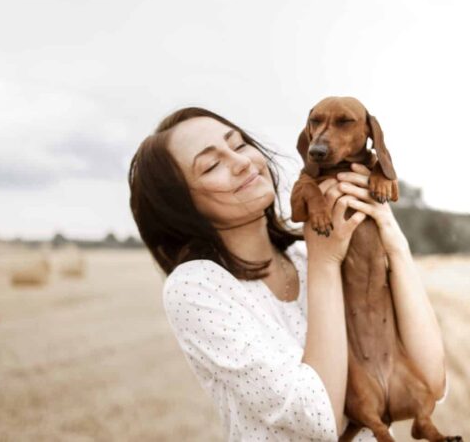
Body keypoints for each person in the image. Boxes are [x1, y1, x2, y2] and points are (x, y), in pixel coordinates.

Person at [128, 107, 449, 441]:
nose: (241, 163)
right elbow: (319, 421)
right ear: (180, 204)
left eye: (238, 145)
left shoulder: (303, 255)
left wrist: (394, 241)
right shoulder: (196, 287)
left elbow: (432, 381)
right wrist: (325, 265)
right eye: (211, 165)